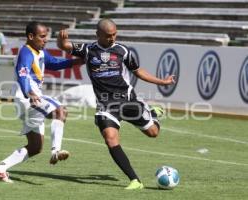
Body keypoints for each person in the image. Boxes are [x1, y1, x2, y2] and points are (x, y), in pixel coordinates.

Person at [57, 18, 175, 190]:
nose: (112, 38)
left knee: (153, 133)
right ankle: (135, 180)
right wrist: (61, 40)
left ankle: (153, 113)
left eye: (114, 34)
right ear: (98, 34)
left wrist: (161, 82)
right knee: (110, 139)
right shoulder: (88, 50)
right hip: (105, 104)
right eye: (108, 35)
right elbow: (65, 46)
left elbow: (138, 71)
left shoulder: (122, 51)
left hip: (127, 101)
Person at [0, 21, 82, 183]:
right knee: (61, 110)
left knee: (35, 147)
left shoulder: (39, 51)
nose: (45, 40)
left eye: (46, 36)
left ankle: (0, 168)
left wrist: (79, 61)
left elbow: (55, 63)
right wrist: (29, 92)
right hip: (28, 98)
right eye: (42, 36)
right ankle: (56, 150)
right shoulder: (26, 52)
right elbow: (22, 73)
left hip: (27, 101)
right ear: (31, 36)